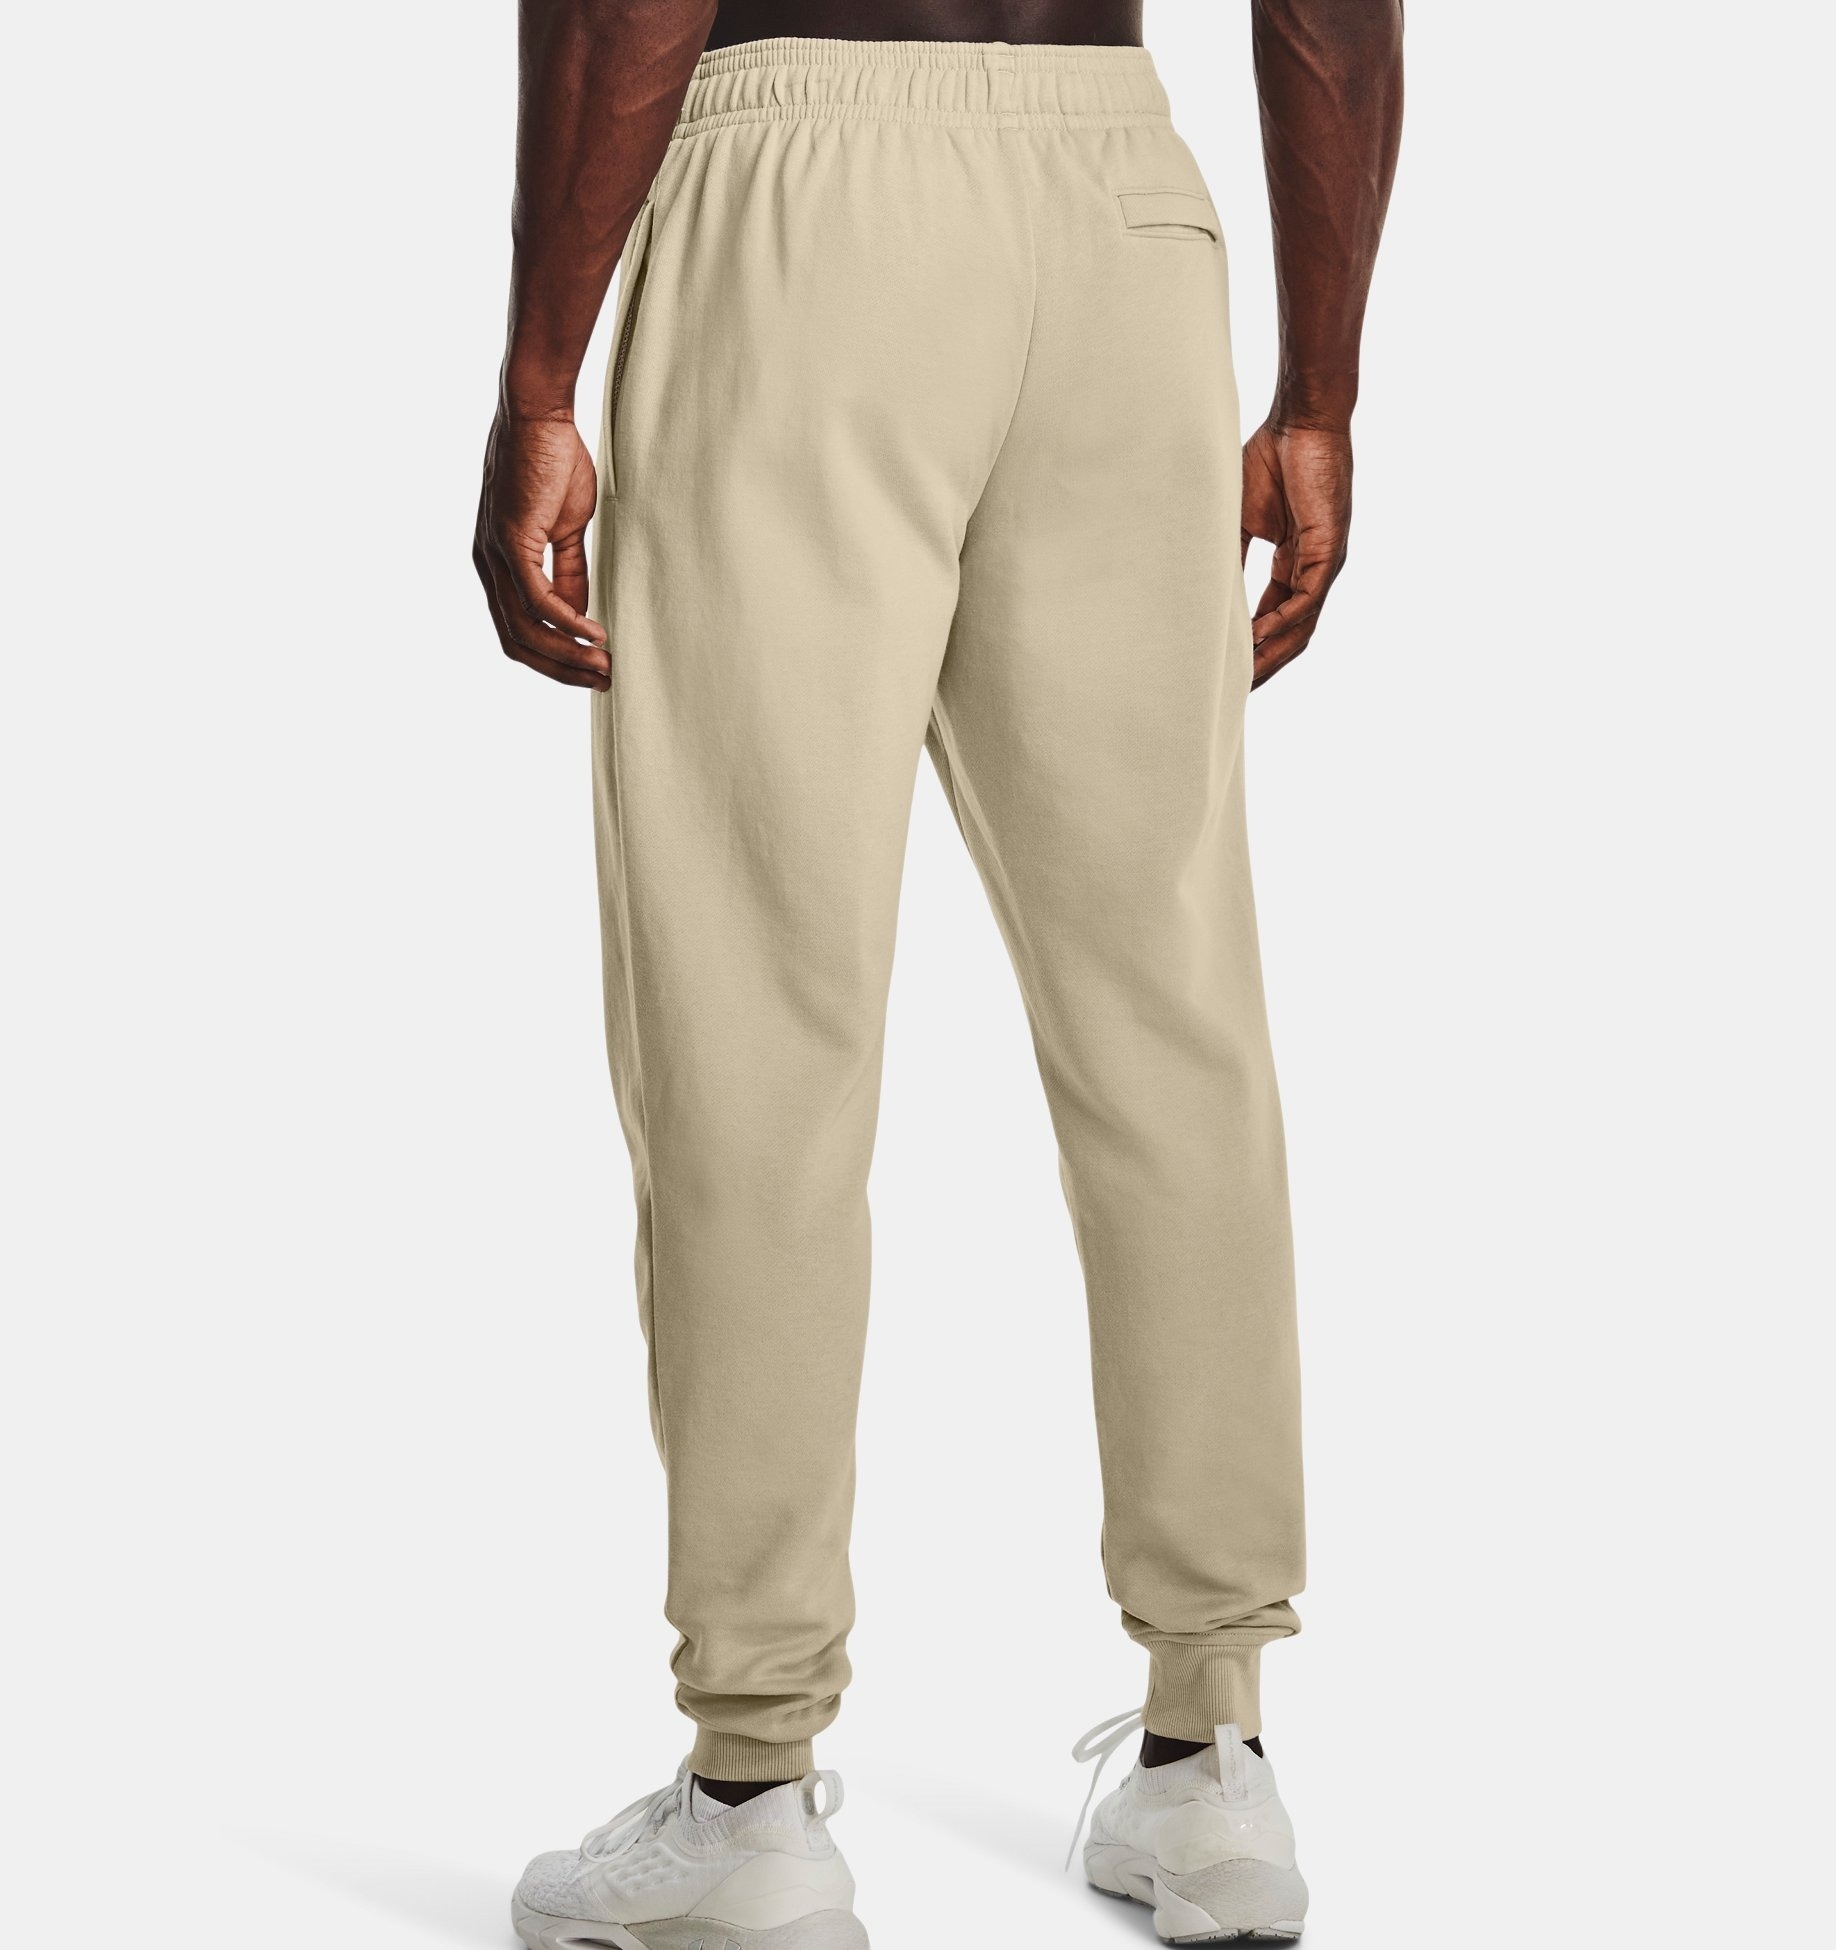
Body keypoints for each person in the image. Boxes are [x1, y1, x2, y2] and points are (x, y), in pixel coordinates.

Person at [474, 2, 1402, 1942]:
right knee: (1168, 1011)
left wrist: (541, 373)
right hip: (1126, 206)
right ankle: (1212, 1758)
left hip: (801, 192)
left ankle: (750, 1794)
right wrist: (1319, 390)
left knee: (758, 1012)